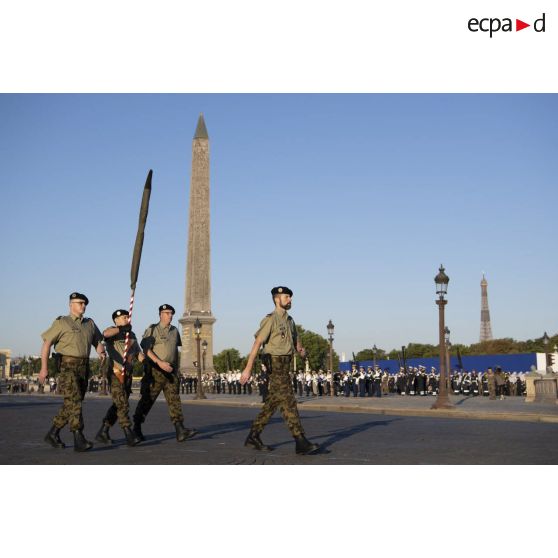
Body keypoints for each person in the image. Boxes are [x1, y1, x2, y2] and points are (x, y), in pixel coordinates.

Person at [240, 286, 320, 455]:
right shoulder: (271, 319)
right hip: (275, 364)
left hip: (286, 364)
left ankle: (253, 436)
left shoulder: (290, 320)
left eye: (290, 297)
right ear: (277, 299)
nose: (290, 300)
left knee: (272, 403)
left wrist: (301, 350)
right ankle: (300, 441)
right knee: (289, 401)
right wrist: (247, 369)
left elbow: (295, 341)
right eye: (286, 297)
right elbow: (257, 344)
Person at [39, 292, 105, 451]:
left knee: (72, 403)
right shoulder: (62, 322)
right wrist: (44, 368)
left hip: (84, 367)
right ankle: (78, 437)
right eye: (80, 303)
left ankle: (53, 433)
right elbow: (47, 344)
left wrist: (100, 350)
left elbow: (97, 340)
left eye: (84, 303)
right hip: (67, 366)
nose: (83, 306)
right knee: (75, 401)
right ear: (71, 305)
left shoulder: (89, 323)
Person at [132, 304, 197, 442]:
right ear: (160, 314)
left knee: (174, 400)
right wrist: (159, 362)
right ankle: (136, 428)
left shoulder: (174, 331)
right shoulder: (153, 329)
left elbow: (175, 351)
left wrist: (176, 369)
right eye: (167, 313)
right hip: (155, 371)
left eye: (172, 313)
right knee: (147, 400)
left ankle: (180, 430)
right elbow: (146, 349)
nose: (170, 315)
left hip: (171, 371)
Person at [94, 309, 143, 447]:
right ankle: (128, 433)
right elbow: (105, 334)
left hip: (128, 373)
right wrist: (121, 329)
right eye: (123, 317)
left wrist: (147, 363)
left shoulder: (131, 334)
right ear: (116, 320)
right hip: (116, 372)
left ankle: (103, 431)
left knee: (118, 404)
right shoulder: (113, 331)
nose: (127, 319)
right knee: (122, 404)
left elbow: (138, 353)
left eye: (128, 317)